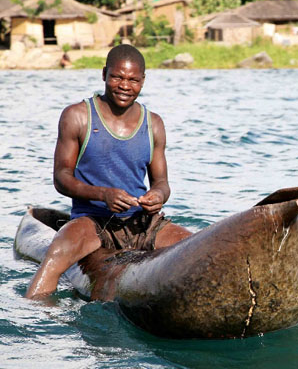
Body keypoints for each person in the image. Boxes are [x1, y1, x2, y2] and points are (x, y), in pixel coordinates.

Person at [26, 44, 192, 299]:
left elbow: (161, 182)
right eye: (117, 77)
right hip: (92, 221)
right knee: (55, 257)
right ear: (104, 74)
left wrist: (157, 195)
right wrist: (103, 195)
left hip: (143, 224)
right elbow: (61, 178)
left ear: (143, 81)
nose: (125, 85)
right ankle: (35, 316)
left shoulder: (154, 124)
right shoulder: (77, 116)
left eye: (133, 80)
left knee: (197, 248)